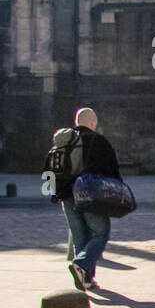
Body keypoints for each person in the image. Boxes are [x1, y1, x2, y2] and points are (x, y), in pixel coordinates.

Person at [54, 107, 121, 291]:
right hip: (89, 196)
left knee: (80, 238)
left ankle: (86, 279)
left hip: (66, 196)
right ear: (92, 123)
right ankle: (82, 266)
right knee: (100, 233)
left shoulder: (62, 141)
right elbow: (112, 170)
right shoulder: (97, 141)